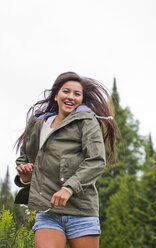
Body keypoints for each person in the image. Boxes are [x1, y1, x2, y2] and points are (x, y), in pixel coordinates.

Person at [14, 72, 120, 248]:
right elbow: (25, 158)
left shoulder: (87, 121)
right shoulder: (38, 123)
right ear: (56, 95)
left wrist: (68, 188)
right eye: (66, 91)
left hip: (82, 210)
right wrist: (25, 176)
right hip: (48, 210)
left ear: (81, 99)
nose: (71, 97)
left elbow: (96, 161)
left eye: (77, 94)